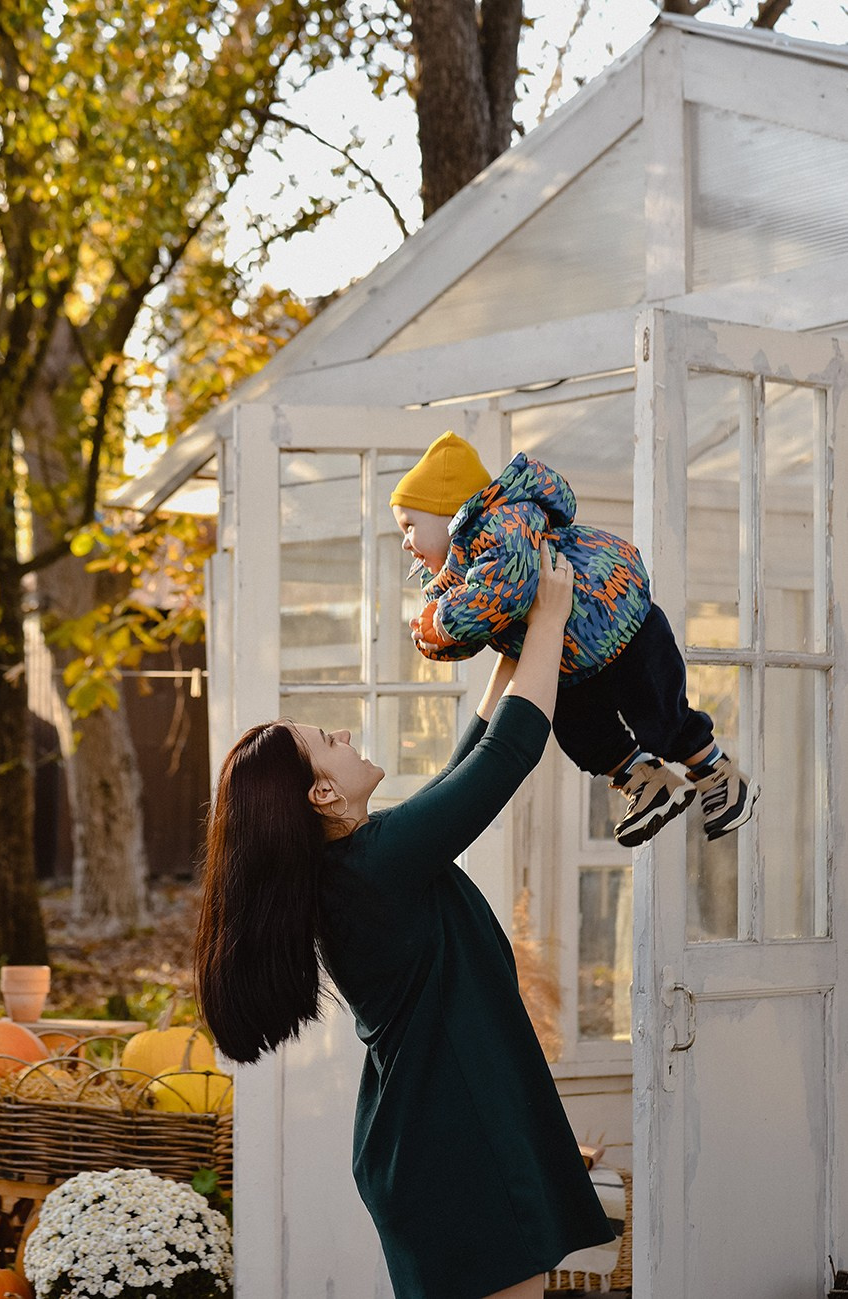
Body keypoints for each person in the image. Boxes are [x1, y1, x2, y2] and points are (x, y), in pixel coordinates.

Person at [194, 546, 614, 1299]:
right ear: (322, 793)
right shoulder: (373, 867)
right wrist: (549, 616)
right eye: (329, 741)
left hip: (435, 1140)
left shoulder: (358, 865)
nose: (346, 737)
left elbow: (462, 767)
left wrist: (512, 652)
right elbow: (506, 757)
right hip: (454, 1148)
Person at [390, 430, 760, 849]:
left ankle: (718, 774)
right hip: (569, 662)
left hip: (619, 622)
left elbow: (504, 589)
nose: (406, 542)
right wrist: (437, 637)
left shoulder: (504, 523)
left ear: (450, 514)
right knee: (579, 734)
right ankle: (648, 781)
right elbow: (479, 624)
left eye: (410, 526)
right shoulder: (457, 573)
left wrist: (444, 621)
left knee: (658, 714)